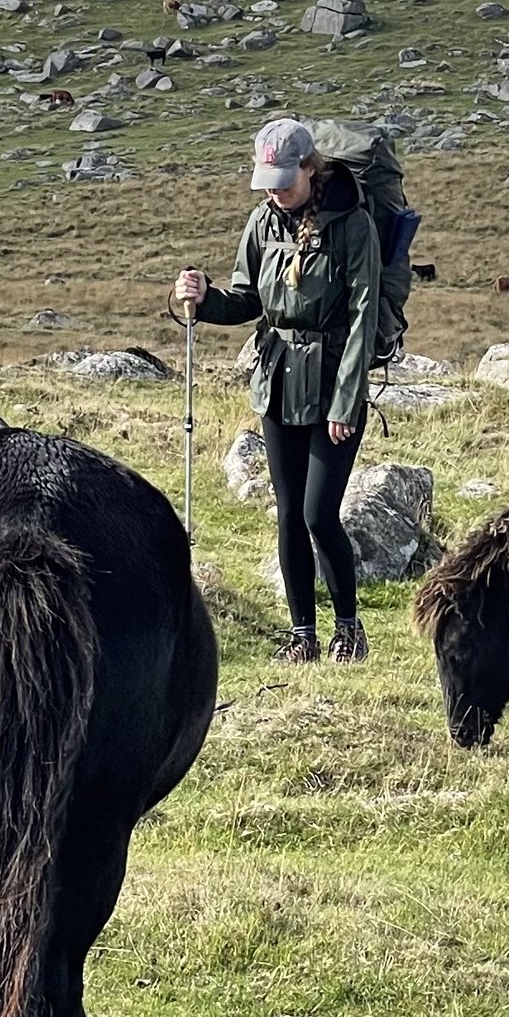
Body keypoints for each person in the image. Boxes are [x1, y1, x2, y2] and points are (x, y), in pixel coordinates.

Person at [173, 116, 381, 664]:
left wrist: (346, 401)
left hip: (333, 380)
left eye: (286, 180)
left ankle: (348, 627)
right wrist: (203, 297)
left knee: (318, 514)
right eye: (269, 180)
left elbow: (364, 317)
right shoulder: (262, 223)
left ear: (311, 170)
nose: (276, 190)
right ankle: (302, 634)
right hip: (278, 381)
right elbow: (246, 300)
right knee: (288, 513)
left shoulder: (353, 225)